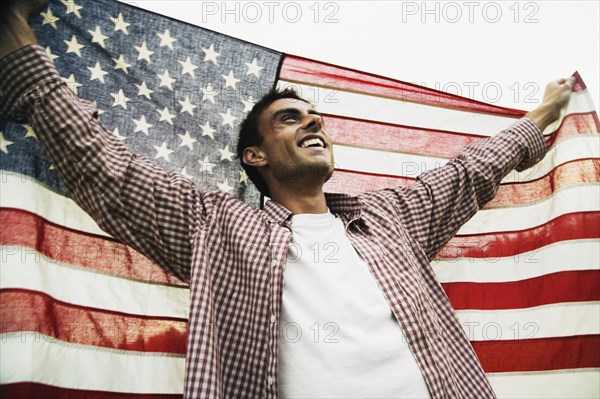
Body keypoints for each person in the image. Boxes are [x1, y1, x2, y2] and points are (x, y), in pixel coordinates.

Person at [0, 1, 575, 398]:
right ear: (255, 156)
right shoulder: (216, 229)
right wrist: (16, 39)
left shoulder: (392, 217)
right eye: (290, 118)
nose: (314, 124)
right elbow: (105, 168)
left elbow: (474, 169)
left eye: (317, 117)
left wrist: (544, 113)